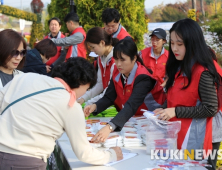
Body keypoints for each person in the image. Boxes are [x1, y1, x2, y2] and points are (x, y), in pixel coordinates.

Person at [0, 57, 123, 170]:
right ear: (82, 83)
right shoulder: (70, 105)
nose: (84, 93)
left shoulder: (25, 77)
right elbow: (84, 153)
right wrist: (111, 155)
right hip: (25, 162)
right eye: (86, 89)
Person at [153, 18, 222, 170]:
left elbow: (210, 108)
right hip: (178, 135)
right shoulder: (179, 65)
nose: (175, 48)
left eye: (180, 44)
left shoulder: (203, 72)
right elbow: (178, 95)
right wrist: (165, 108)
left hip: (196, 139)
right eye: (172, 43)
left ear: (192, 43)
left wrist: (175, 111)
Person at [84, 38, 166, 143]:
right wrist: (94, 106)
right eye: (116, 59)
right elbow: (109, 96)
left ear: (134, 58)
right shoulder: (117, 73)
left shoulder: (143, 77)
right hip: (135, 122)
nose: (118, 64)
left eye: (122, 60)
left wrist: (109, 127)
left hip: (153, 122)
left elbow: (131, 105)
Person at [77, 27, 119, 105]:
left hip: (117, 102)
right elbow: (100, 84)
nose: (92, 51)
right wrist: (84, 98)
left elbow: (110, 91)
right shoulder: (100, 58)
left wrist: (90, 103)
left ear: (102, 43)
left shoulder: (116, 60)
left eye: (93, 47)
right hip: (108, 101)